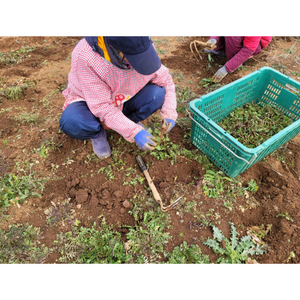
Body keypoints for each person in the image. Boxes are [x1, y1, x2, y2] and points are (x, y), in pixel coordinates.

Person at [59, 36, 177, 159]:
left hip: (124, 96)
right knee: (73, 121)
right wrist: (134, 132)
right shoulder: (86, 56)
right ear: (116, 50)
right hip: (90, 100)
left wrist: (169, 112)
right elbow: (102, 106)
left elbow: (165, 80)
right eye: (135, 59)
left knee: (156, 95)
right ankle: (97, 134)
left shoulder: (141, 45)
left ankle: (128, 121)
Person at [205, 36, 272, 82]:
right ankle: (222, 48)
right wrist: (214, 38)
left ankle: (234, 59)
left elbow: (247, 50)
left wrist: (226, 68)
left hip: (255, 44)